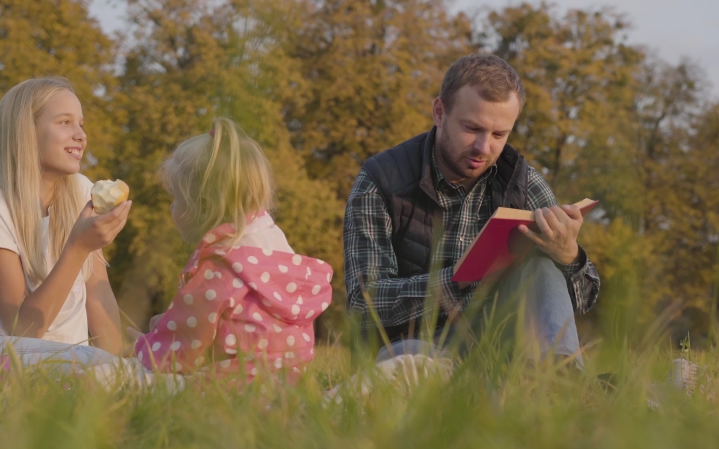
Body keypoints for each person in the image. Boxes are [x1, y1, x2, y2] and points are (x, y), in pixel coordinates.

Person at [343, 54, 600, 365]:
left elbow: (583, 301)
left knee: (543, 267)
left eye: (499, 135)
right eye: (471, 128)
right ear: (439, 112)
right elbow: (363, 302)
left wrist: (569, 257)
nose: (483, 147)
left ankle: (562, 381)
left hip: (498, 340)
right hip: (410, 346)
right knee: (417, 367)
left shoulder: (523, 181)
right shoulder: (381, 180)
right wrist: (459, 282)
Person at [132, 118, 333, 381]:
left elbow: (179, 354)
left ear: (202, 206)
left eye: (176, 198)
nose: (171, 207)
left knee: (109, 373)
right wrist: (168, 322)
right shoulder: (275, 247)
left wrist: (144, 346)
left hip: (228, 386)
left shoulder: (221, 263)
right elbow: (234, 320)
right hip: (285, 385)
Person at [0, 77, 129, 371]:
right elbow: (23, 329)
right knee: (96, 365)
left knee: (123, 367)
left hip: (71, 356)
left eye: (81, 124)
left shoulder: (82, 193)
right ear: (26, 133)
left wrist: (124, 356)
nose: (81, 135)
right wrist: (77, 248)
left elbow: (98, 294)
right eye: (65, 122)